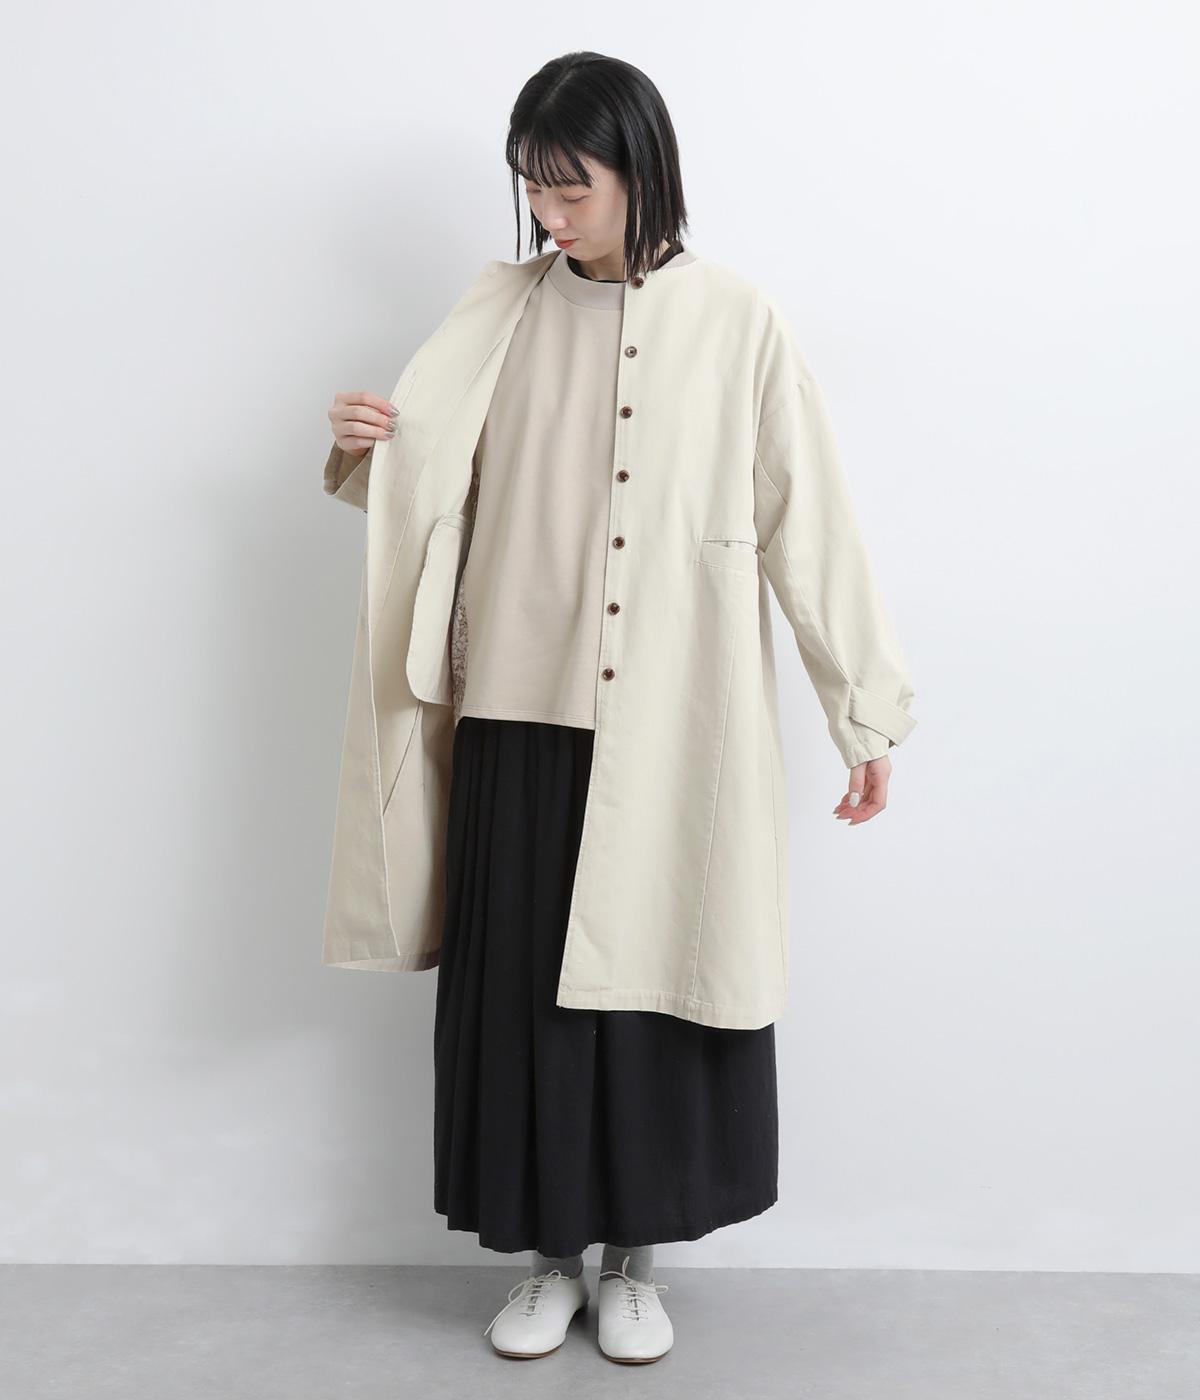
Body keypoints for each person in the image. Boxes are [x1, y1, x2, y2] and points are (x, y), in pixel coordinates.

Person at [323, 51, 915, 1366]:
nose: (549, 213)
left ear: (640, 168)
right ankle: (548, 1263)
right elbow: (431, 489)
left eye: (570, 186)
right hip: (514, 711)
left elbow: (809, 520)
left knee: (651, 997)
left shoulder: (739, 321)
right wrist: (364, 448)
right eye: (532, 187)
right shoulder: (499, 312)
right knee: (526, 1004)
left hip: (671, 719)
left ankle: (636, 1265)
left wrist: (864, 713)